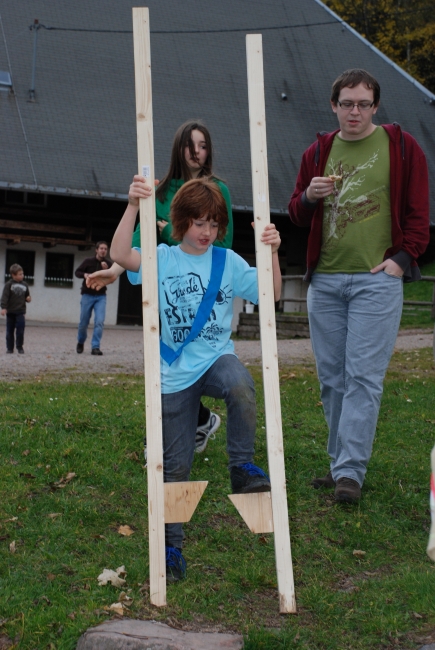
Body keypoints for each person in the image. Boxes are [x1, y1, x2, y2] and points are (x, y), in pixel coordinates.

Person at [111, 175, 281, 582]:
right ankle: (172, 548)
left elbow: (270, 295)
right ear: (181, 221)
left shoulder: (227, 262)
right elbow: (119, 253)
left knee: (241, 384)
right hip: (173, 374)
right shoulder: (163, 258)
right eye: (199, 222)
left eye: (214, 224)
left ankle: (243, 468)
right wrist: (133, 204)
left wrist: (272, 251)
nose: (207, 232)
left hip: (215, 358)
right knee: (176, 469)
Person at [289, 68, 429, 504]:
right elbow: (295, 214)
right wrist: (310, 196)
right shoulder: (318, 153)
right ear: (333, 106)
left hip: (376, 282)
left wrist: (401, 261)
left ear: (376, 106)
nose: (354, 111)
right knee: (332, 380)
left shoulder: (403, 149)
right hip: (326, 281)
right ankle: (338, 466)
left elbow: (419, 215)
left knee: (363, 378)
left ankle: (350, 473)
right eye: (346, 103)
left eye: (363, 104)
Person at [87, 120, 234, 452]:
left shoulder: (219, 189)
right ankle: (176, 425)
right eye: (191, 145)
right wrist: (114, 269)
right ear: (179, 148)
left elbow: (224, 240)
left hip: (205, 291)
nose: (197, 152)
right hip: (170, 292)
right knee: (167, 360)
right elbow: (141, 237)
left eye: (204, 145)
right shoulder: (162, 191)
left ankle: (189, 423)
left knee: (196, 358)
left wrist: (171, 232)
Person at [74, 241, 112, 356]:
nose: (103, 250)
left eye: (105, 249)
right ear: (96, 250)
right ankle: (80, 341)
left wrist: (107, 270)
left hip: (101, 296)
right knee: (83, 322)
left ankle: (95, 347)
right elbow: (77, 272)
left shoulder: (109, 264)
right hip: (87, 295)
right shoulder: (88, 261)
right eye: (101, 248)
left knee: (99, 321)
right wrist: (85, 275)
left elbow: (112, 277)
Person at [1, 264, 31, 354]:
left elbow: (27, 296)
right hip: (11, 312)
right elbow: (4, 297)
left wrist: (28, 298)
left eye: (22, 274)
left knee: (20, 329)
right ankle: (10, 348)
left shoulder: (25, 285)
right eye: (20, 274)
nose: (22, 276)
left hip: (20, 311)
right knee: (9, 331)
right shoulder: (9, 284)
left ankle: (19, 347)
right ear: (13, 275)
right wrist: (3, 307)